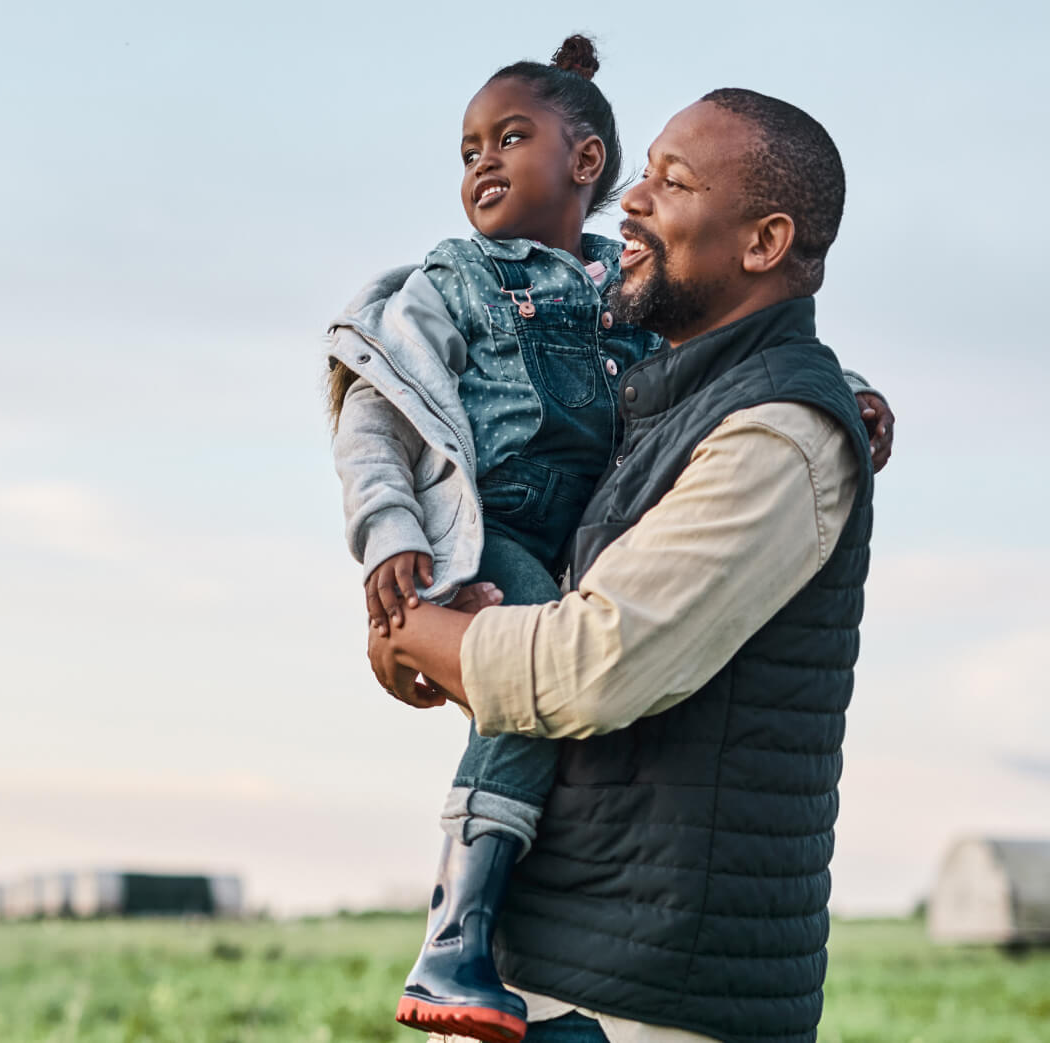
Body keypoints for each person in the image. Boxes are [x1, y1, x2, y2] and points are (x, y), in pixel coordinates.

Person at [324, 40, 892, 1042]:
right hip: (567, 967)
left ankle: (454, 928)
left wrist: (420, 634)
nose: (631, 201)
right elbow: (403, 422)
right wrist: (406, 565)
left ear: (763, 243)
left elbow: (592, 662)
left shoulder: (776, 432)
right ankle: (460, 933)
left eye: (671, 183)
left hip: (652, 992)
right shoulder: (666, 397)